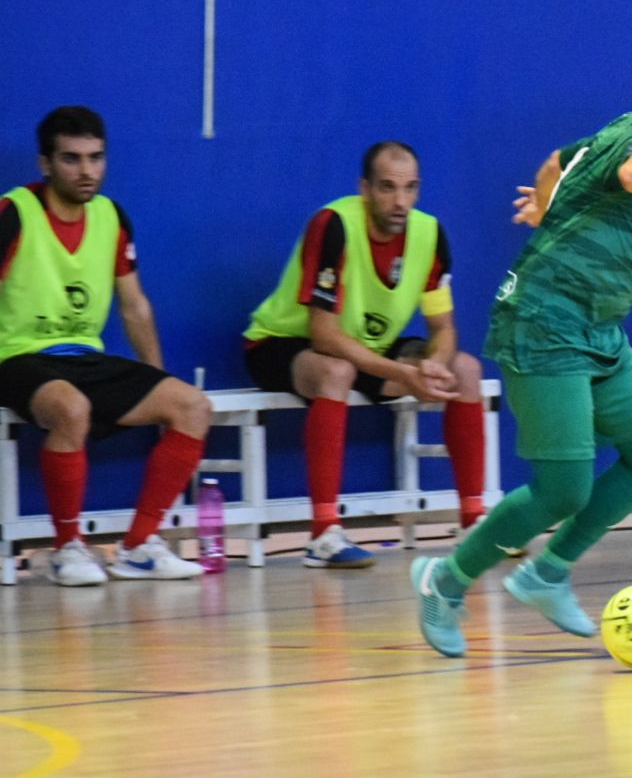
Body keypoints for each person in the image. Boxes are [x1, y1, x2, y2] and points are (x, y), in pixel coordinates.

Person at [411, 48, 632, 657]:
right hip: (544, 322)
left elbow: (558, 159)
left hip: (600, 331)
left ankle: (546, 573)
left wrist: (546, 199)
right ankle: (444, 581)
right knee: (563, 491)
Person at [243, 141, 486, 568]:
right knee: (336, 372)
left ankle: (473, 524)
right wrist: (400, 373)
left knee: (465, 368)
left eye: (410, 188)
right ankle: (323, 536)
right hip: (281, 343)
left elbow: (443, 329)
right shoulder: (333, 224)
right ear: (365, 188)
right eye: (388, 188)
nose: (400, 201)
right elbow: (323, 335)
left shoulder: (429, 233)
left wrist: (434, 361)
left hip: (367, 347)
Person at [0, 107, 211, 585]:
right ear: (45, 164)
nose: (86, 171)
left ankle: (138, 547)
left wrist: (157, 379)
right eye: (72, 159)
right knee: (71, 408)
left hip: (84, 358)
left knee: (193, 406)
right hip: (16, 357)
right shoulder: (13, 213)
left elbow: (134, 306)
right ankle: (66, 548)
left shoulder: (112, 217)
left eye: (96, 158)